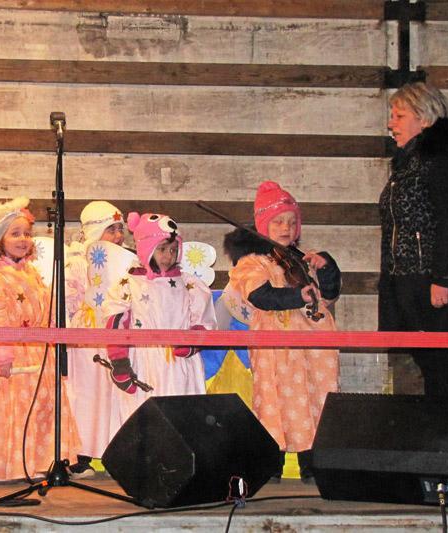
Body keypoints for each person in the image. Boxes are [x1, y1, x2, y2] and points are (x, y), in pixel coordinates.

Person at [224, 181, 341, 483]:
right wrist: (296, 296)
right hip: (278, 346)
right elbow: (260, 296)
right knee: (276, 402)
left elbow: (329, 295)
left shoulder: (302, 259)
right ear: (263, 225)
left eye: (291, 222)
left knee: (315, 398)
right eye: (277, 222)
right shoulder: (253, 261)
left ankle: (312, 466)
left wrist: (327, 267)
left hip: (313, 345)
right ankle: (271, 467)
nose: (286, 228)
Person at [0, 196, 80, 484]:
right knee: (12, 410)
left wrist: (54, 343)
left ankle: (39, 462)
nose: (23, 240)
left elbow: (48, 311)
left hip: (39, 355)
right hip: (11, 355)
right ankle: (7, 467)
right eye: (15, 234)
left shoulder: (32, 275)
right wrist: (2, 355)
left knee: (40, 410)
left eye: (27, 233)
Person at [379, 81, 448, 397]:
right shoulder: (409, 163)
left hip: (433, 282)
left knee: (439, 366)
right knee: (430, 366)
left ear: (424, 118)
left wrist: (443, 278)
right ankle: (441, 421)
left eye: (399, 116)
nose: (391, 124)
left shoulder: (446, 159)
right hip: (409, 282)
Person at [102, 211, 217, 439]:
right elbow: (116, 324)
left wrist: (192, 343)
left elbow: (202, 321)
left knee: (182, 417)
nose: (168, 256)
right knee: (144, 419)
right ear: (147, 248)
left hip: (180, 364)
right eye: (162, 249)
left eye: (173, 250)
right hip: (145, 362)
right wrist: (120, 363)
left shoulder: (189, 284)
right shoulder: (129, 284)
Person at [65, 201, 133, 478]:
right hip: (86, 338)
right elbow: (67, 301)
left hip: (116, 334)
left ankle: (115, 454)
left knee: (116, 396)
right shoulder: (76, 263)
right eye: (110, 229)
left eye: (120, 229)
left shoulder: (128, 262)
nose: (117, 236)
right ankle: (79, 455)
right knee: (86, 396)